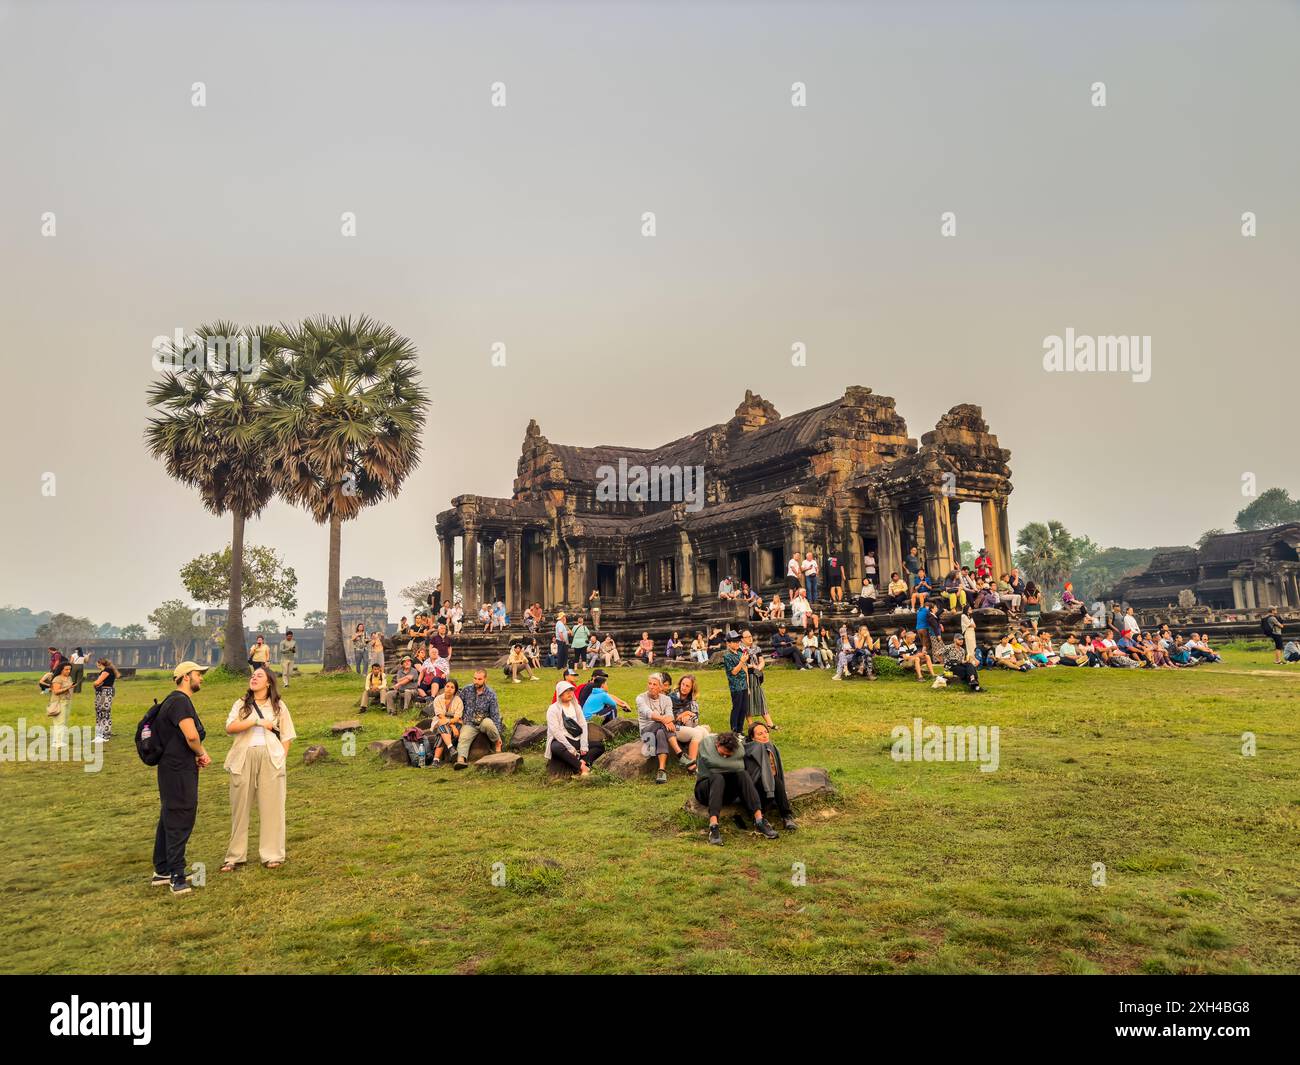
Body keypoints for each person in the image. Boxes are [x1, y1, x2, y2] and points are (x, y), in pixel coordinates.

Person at [219, 666, 297, 872]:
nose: (254, 678)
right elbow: (230, 727)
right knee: (240, 807)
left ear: (268, 682)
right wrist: (255, 720)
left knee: (272, 807)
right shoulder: (241, 704)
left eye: (259, 676)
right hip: (243, 756)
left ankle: (272, 854)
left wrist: (281, 758)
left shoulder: (279, 706)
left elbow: (287, 736)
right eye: (252, 675)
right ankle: (235, 856)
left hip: (270, 757)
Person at [151, 662, 212, 895]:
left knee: (169, 814)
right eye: (198, 674)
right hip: (178, 770)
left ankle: (163, 868)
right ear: (186, 677)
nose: (201, 678)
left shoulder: (171, 701)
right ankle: (177, 875)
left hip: (171, 768)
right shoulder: (179, 701)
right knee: (181, 816)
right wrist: (201, 753)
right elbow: (191, 735)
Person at [694, 732, 779, 845]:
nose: (725, 757)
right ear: (717, 744)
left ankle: (759, 820)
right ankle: (713, 827)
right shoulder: (707, 744)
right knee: (717, 777)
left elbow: (740, 767)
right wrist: (731, 765)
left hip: (726, 792)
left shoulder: (737, 749)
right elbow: (712, 763)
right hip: (705, 789)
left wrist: (721, 765)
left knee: (742, 774)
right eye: (723, 754)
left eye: (729, 756)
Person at [744, 723, 798, 830]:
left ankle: (786, 816)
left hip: (772, 783)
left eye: (766, 732)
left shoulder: (770, 746)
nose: (765, 735)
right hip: (755, 786)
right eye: (760, 734)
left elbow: (776, 770)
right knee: (769, 781)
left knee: (776, 781)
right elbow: (751, 774)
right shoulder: (750, 749)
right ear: (753, 737)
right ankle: (760, 819)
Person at [637, 672, 687, 782]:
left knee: (660, 732)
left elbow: (671, 715)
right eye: (649, 683)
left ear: (660, 687)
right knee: (660, 723)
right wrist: (666, 721)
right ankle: (679, 753)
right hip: (647, 733)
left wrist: (666, 720)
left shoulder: (666, 699)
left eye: (654, 684)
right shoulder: (640, 698)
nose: (651, 686)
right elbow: (650, 714)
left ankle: (661, 770)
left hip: (660, 731)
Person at [545, 681, 604, 775]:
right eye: (566, 691)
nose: (569, 693)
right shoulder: (553, 709)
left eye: (571, 690)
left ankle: (582, 762)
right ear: (560, 693)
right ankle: (582, 768)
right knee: (555, 747)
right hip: (562, 740)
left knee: (599, 746)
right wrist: (570, 748)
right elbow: (555, 731)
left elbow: (583, 724)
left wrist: (584, 744)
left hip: (577, 738)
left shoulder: (576, 706)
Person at [456, 669, 505, 768]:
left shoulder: (491, 694)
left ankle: (497, 743)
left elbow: (495, 714)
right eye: (475, 678)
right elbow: (458, 705)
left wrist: (498, 730)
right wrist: (458, 719)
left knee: (488, 724)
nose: (476, 681)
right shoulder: (466, 690)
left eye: (479, 679)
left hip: (484, 720)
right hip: (469, 722)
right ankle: (461, 759)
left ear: (485, 679)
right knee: (464, 737)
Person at [668, 674, 710, 767]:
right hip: (674, 728)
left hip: (688, 727)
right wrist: (684, 714)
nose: (684, 687)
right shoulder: (671, 697)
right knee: (698, 733)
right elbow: (669, 718)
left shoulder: (692, 699)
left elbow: (696, 718)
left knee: (704, 731)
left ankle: (709, 759)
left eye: (687, 686)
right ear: (680, 684)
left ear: (692, 688)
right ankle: (692, 765)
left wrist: (688, 715)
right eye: (683, 684)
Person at [740, 629, 777, 730]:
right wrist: (751, 666)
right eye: (747, 637)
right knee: (748, 700)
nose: (750, 638)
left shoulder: (756, 648)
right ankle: (751, 725)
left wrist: (759, 667)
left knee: (760, 699)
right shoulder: (740, 650)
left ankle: (770, 723)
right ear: (742, 639)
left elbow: (761, 661)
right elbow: (742, 664)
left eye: (750, 636)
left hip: (756, 676)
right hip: (745, 677)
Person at [427, 678, 464, 767]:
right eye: (447, 686)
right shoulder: (438, 699)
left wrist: (454, 725)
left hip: (454, 724)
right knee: (441, 723)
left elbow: (456, 718)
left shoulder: (458, 700)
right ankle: (451, 748)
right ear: (444, 687)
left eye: (452, 687)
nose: (449, 689)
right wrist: (452, 727)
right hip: (443, 723)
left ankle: (436, 760)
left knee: (441, 729)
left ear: (455, 690)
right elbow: (440, 716)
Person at [722, 631, 750, 733]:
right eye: (734, 641)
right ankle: (734, 731)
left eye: (738, 641)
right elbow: (733, 672)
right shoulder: (727, 656)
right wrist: (742, 661)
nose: (737, 643)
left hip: (744, 686)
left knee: (743, 709)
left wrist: (748, 686)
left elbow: (745, 670)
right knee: (737, 708)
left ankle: (740, 731)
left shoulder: (740, 653)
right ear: (728, 643)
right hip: (736, 687)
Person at [46, 662, 74, 749]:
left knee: (64, 722)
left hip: (67, 701)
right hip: (59, 702)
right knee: (59, 722)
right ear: (61, 669)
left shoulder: (69, 677)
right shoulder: (57, 679)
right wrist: (68, 688)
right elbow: (56, 691)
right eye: (66, 669)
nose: (68, 671)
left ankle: (58, 740)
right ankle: (57, 742)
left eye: (69, 669)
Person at [90, 657, 119, 743]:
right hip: (103, 693)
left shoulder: (106, 671)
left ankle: (105, 735)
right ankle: (100, 734)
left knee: (104, 713)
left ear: (99, 663)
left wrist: (94, 684)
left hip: (104, 693)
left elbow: (97, 682)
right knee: (100, 713)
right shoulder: (108, 670)